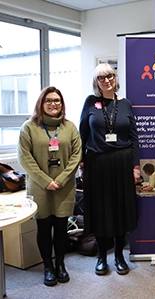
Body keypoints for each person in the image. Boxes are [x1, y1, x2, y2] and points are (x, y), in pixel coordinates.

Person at [79, 63, 140, 276]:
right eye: (101, 78)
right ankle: (102, 257)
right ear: (96, 82)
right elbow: (82, 135)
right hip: (97, 163)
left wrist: (135, 166)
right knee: (102, 210)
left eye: (110, 76)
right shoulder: (90, 103)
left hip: (122, 163)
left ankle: (119, 257)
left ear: (115, 78)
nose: (107, 80)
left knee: (121, 210)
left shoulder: (126, 104)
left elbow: (134, 138)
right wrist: (81, 162)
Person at [18, 86, 82, 286]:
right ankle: (48, 267)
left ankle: (61, 265)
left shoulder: (69, 127)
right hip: (39, 187)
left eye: (57, 100)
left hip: (64, 186)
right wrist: (46, 181)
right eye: (49, 100)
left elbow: (76, 155)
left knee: (62, 228)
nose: (53, 104)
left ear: (62, 104)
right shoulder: (28, 127)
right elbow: (25, 158)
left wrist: (61, 179)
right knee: (43, 227)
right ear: (41, 103)